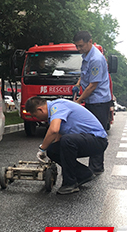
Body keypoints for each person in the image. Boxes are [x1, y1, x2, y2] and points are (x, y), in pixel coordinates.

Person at [26, 96, 108, 195]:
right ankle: (83, 174)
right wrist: (51, 151)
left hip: (98, 140)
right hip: (86, 140)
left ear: (40, 109)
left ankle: (70, 184)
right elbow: (59, 134)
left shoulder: (57, 106)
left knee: (67, 140)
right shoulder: (55, 111)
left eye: (36, 115)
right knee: (52, 149)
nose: (37, 118)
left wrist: (42, 149)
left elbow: (54, 130)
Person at [72, 30, 112, 174]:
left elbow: (92, 85)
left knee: (97, 134)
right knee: (90, 132)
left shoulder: (96, 58)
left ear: (90, 41)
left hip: (99, 102)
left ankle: (96, 167)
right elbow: (85, 75)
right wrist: (77, 84)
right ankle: (94, 166)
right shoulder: (86, 55)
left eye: (81, 46)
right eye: (77, 46)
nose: (79, 49)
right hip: (92, 101)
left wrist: (79, 101)